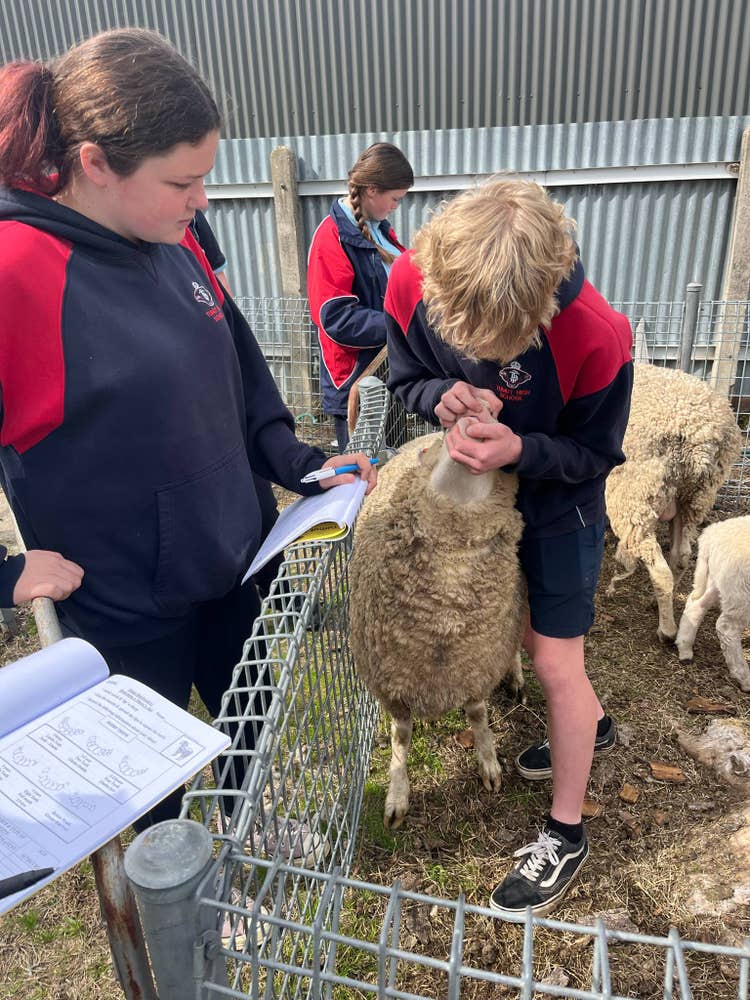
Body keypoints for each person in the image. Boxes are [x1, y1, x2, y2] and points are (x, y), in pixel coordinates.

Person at [0, 28, 376, 826]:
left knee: (251, 723)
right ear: (96, 163)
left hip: (233, 563)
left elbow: (239, 377)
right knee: (154, 798)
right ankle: (181, 917)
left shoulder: (171, 239)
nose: (203, 200)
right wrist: (5, 576)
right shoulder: (15, 274)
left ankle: (256, 839)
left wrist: (301, 463)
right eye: (183, 181)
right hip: (128, 610)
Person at [384, 179, 633, 917]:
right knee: (521, 632)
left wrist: (521, 447)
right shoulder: (411, 278)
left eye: (494, 350)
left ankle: (567, 830)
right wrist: (441, 397)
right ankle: (586, 724)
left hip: (558, 502)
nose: (476, 360)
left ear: (542, 306)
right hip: (482, 498)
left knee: (555, 660)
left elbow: (596, 454)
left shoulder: (596, 332)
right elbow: (405, 376)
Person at [307, 142, 414, 452]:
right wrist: (402, 325)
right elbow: (338, 320)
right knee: (363, 478)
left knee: (391, 466)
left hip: (387, 371)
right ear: (371, 190)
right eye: (394, 198)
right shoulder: (332, 239)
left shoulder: (379, 230)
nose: (396, 206)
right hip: (357, 379)